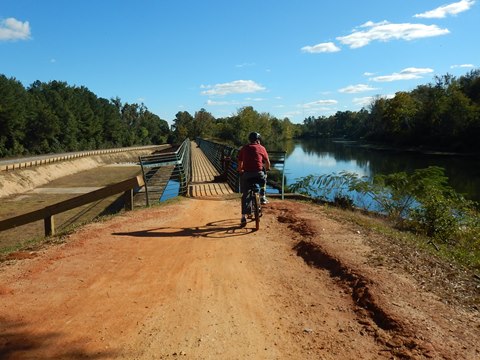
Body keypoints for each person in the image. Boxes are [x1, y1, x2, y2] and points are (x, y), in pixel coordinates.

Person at [237, 132, 271, 227]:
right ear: (258, 140)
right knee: (264, 176)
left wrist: (240, 170)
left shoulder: (244, 148)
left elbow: (240, 162)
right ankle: (262, 196)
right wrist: (267, 169)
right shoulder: (261, 148)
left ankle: (243, 217)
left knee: (245, 194)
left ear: (249, 139)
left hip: (247, 174)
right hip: (258, 174)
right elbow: (267, 162)